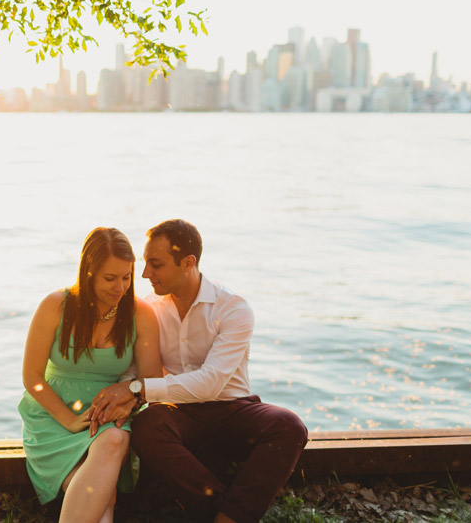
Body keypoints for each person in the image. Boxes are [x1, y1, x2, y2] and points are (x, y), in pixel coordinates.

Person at [89, 219, 308, 523]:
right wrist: (125, 393)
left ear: (188, 263)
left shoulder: (232, 308)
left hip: (233, 410)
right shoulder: (148, 309)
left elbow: (211, 384)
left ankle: (227, 517)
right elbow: (135, 368)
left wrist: (138, 390)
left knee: (289, 425)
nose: (144, 274)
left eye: (156, 264)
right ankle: (227, 514)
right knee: (148, 425)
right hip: (178, 416)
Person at [18, 227, 162, 523]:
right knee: (102, 498)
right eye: (110, 278)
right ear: (89, 272)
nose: (120, 287)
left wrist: (130, 400)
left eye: (126, 277)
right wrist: (68, 419)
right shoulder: (55, 306)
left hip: (107, 415)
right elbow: (32, 376)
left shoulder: (141, 314)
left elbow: (152, 383)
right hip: (52, 419)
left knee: (113, 441)